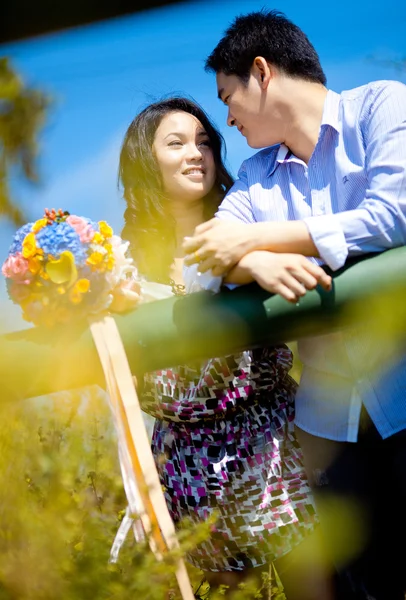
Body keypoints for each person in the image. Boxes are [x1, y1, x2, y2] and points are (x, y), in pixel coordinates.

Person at [182, 9, 406, 600]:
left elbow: (394, 216)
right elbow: (197, 262)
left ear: (262, 72)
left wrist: (256, 239)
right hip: (330, 428)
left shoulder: (383, 105)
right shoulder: (255, 178)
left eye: (228, 96)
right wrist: (251, 263)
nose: (225, 118)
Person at [117, 97, 333, 599]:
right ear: (144, 161)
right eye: (177, 143)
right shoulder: (119, 257)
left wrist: (251, 258)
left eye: (205, 142)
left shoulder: (252, 221)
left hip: (269, 435)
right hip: (181, 458)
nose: (197, 153)